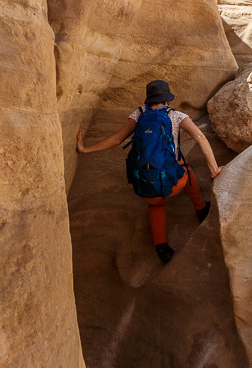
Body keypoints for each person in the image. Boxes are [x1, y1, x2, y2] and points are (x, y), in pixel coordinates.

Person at [77, 80, 222, 264]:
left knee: (155, 205)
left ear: (149, 99)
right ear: (167, 100)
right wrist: (214, 170)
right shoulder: (176, 115)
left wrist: (85, 149)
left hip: (143, 186)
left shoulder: (138, 114)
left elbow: (116, 139)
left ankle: (161, 247)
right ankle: (201, 209)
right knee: (186, 169)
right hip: (173, 185)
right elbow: (200, 137)